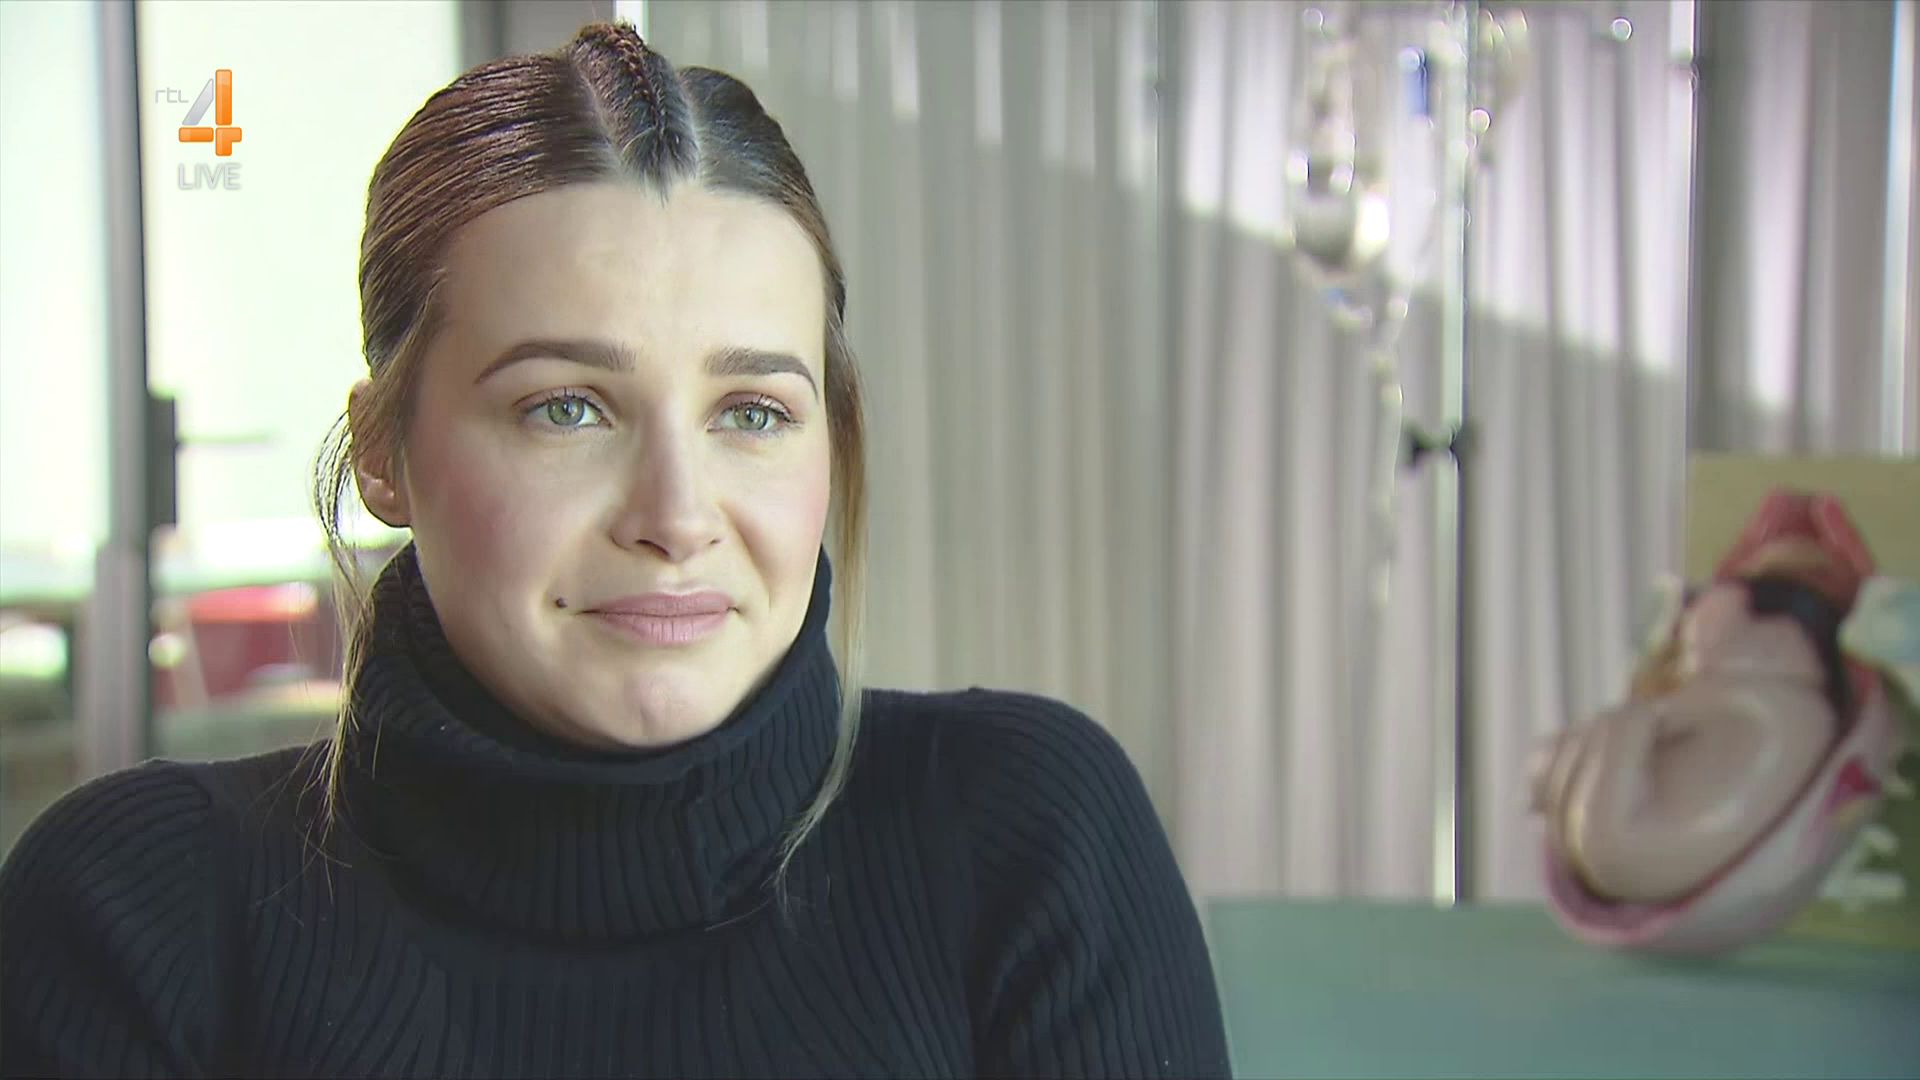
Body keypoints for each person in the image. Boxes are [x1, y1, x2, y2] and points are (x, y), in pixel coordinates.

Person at [0, 22, 1230, 1078]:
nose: (677, 515)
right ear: (385, 453)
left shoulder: (1026, 836)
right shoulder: (142, 908)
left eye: (752, 413)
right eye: (567, 408)